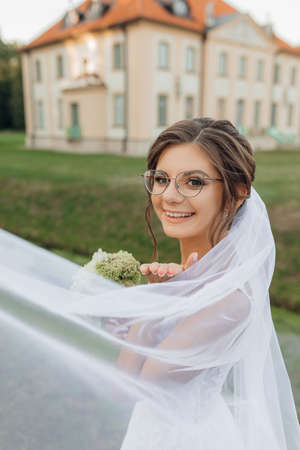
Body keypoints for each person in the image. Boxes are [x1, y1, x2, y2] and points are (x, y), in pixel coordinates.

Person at [0, 118, 299, 449]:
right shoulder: (192, 276)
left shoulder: (230, 299)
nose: (169, 196)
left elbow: (129, 386)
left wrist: (153, 305)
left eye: (193, 182)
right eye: (161, 179)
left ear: (238, 193)